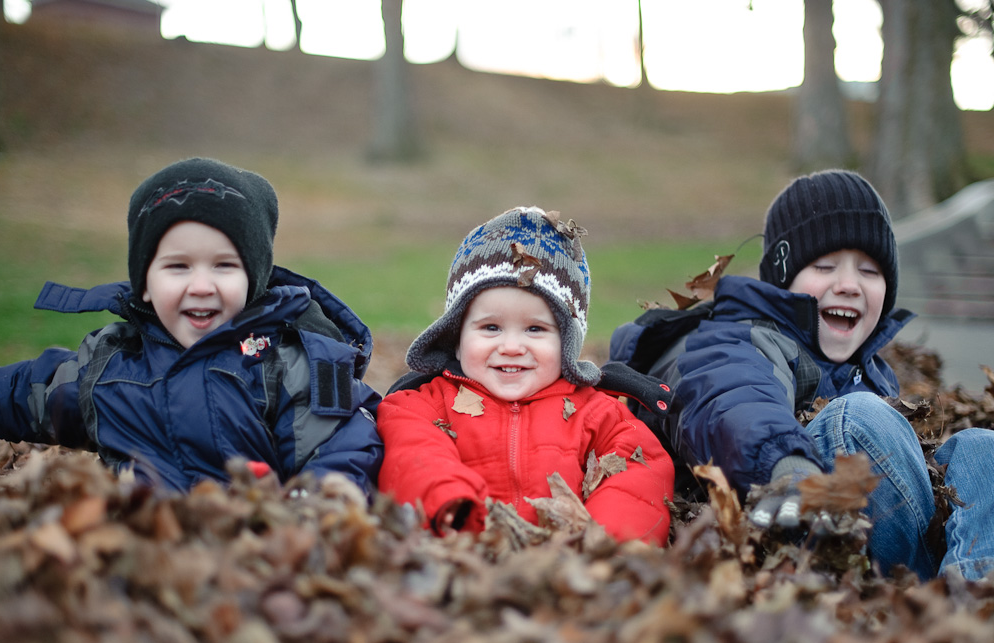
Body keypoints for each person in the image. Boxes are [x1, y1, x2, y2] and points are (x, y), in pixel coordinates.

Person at [612, 169, 994, 582]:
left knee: (980, 449)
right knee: (858, 419)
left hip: (880, 533)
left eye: (870, 272)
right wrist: (788, 467)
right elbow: (736, 399)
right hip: (792, 513)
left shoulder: (867, 372)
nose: (849, 285)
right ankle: (914, 594)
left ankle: (973, 594)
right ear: (784, 277)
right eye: (825, 265)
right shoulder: (740, 337)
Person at [0, 157, 382, 494]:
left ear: (254, 280)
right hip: (140, 555)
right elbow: (20, 393)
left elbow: (343, 446)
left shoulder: (287, 363)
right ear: (144, 284)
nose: (201, 286)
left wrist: (318, 504)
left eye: (224, 266)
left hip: (254, 554)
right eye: (178, 266)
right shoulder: (108, 367)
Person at [376, 206, 674, 544]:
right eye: (491, 327)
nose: (512, 346)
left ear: (567, 342)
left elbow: (639, 474)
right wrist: (454, 511)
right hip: (463, 552)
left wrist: (604, 546)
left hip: (568, 569)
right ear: (456, 338)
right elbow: (414, 456)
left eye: (535, 329)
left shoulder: (598, 413)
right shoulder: (423, 407)